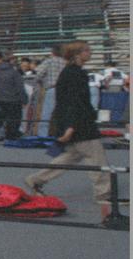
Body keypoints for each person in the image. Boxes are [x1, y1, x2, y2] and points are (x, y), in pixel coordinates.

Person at [26, 41, 113, 220]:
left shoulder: (71, 72)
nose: (90, 53)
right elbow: (72, 103)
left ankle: (36, 180)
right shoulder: (75, 74)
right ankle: (103, 195)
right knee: (97, 161)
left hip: (76, 123)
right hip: (81, 126)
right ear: (77, 54)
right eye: (87, 50)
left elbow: (69, 103)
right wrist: (70, 127)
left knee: (69, 157)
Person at [0, 51, 25, 141]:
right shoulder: (14, 72)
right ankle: (12, 134)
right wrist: (23, 98)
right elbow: (19, 86)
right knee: (15, 117)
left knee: (7, 115)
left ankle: (5, 131)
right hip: (13, 98)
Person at [33, 43, 66, 137]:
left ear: (52, 52)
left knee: (46, 114)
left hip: (52, 89)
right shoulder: (66, 62)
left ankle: (42, 135)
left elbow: (38, 74)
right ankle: (62, 134)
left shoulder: (49, 61)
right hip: (64, 90)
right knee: (62, 113)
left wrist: (40, 82)